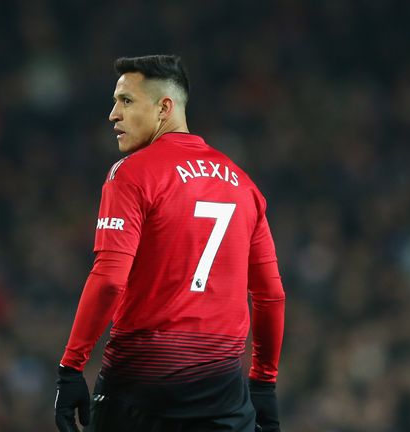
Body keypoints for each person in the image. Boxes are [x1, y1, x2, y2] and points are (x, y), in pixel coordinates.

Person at [54, 55, 285, 432]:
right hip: (223, 398)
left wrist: (71, 367)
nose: (113, 114)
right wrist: (263, 383)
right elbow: (271, 295)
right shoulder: (244, 186)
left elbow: (110, 278)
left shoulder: (132, 174)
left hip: (139, 393)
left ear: (165, 107)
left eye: (126, 101)